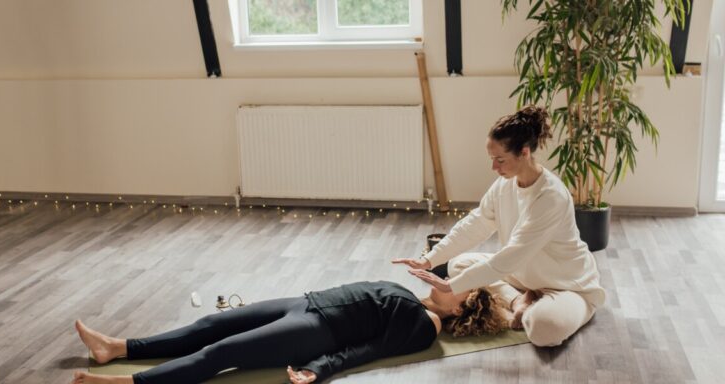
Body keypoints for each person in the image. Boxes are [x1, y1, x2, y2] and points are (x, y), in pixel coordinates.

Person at [393, 105, 605, 347]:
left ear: (524, 153)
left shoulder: (550, 196)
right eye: (492, 159)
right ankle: (519, 301)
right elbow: (477, 223)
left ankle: (564, 307)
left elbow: (510, 257)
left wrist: (450, 286)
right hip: (522, 275)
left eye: (500, 159)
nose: (494, 167)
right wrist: (430, 260)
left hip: (565, 284)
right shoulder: (505, 184)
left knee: (544, 330)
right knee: (457, 265)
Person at [70, 281, 509, 384]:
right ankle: (118, 347)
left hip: (318, 330)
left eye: (458, 288)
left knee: (222, 352)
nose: (446, 283)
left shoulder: (423, 328)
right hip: (306, 302)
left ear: (460, 309)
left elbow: (366, 351)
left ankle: (128, 382)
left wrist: (317, 369)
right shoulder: (418, 299)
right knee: (210, 325)